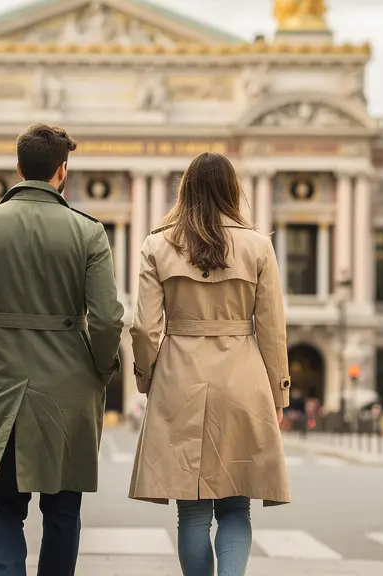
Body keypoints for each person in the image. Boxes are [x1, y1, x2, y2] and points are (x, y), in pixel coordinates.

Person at [0, 123, 124, 576]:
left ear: (19, 169)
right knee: (62, 511)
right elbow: (105, 319)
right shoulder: (89, 232)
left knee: (2, 507)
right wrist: (103, 369)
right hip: (67, 384)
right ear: (63, 172)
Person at [129, 152, 291, 576]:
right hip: (243, 377)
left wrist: (147, 378)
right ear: (233, 191)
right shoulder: (258, 246)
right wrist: (279, 392)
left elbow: (145, 328)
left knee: (193, 514)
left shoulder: (158, 244)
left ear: (185, 191)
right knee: (237, 506)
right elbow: (273, 330)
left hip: (178, 376)